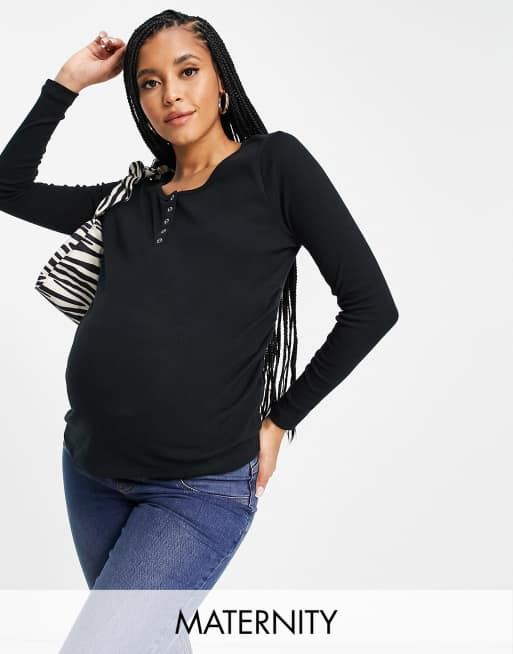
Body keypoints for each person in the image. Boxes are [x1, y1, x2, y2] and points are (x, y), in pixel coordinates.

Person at [0, 9, 399, 652]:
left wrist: (280, 420)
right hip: (90, 471)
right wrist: (69, 81)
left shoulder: (275, 167)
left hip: (197, 489)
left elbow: (371, 307)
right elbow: (8, 187)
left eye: (187, 71)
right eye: (149, 82)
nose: (171, 94)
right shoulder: (130, 197)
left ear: (221, 81)